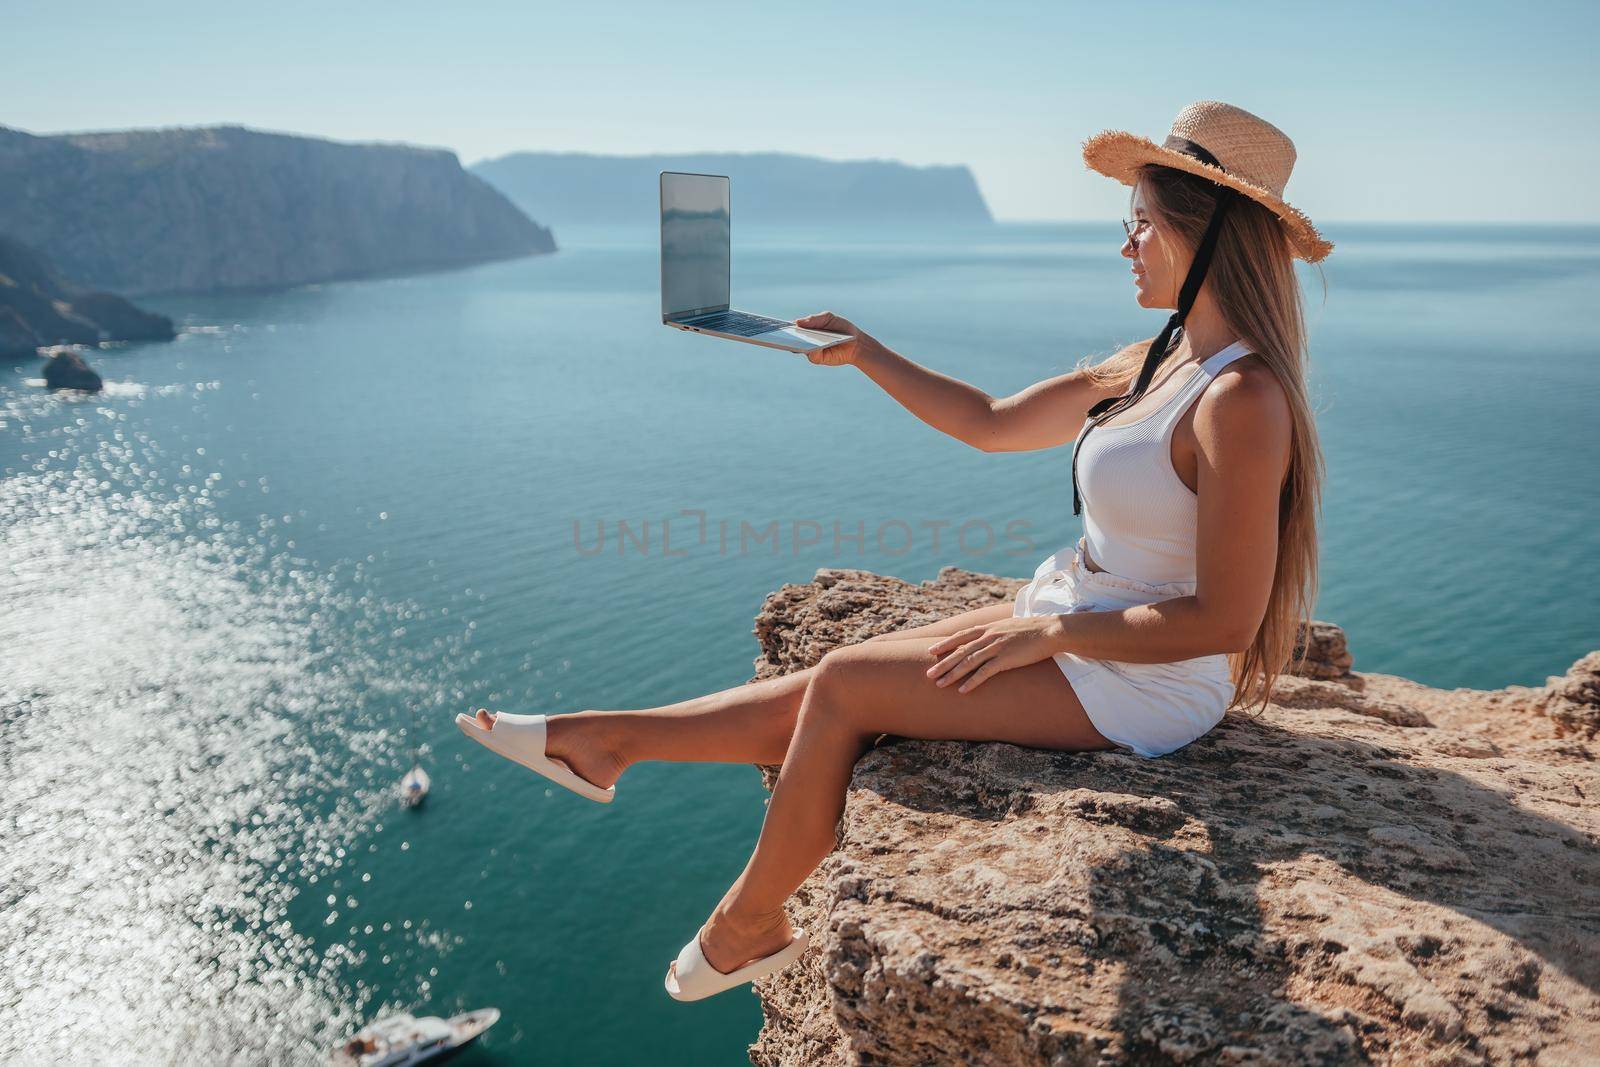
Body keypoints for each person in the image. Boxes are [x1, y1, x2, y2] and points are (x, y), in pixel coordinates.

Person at [460, 100, 1332, 1000]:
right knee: (832, 678)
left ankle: (749, 922)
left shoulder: (1242, 399)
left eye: (1142, 224)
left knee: (845, 685)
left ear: (1205, 229)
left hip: (1148, 680)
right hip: (1083, 619)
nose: (1127, 246)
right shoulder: (1159, 360)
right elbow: (991, 423)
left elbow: (1225, 618)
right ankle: (606, 744)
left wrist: (1051, 638)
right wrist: (868, 353)